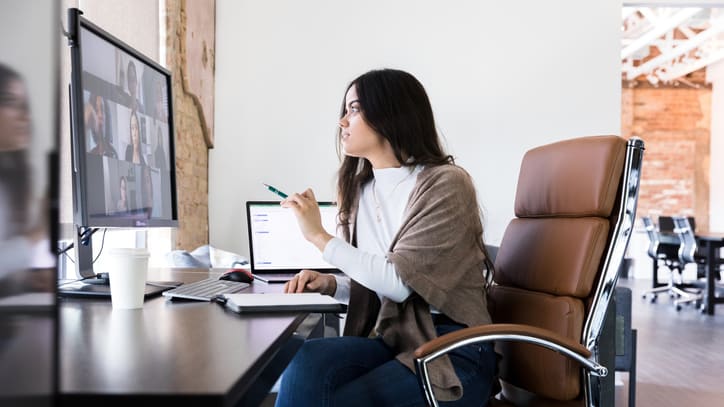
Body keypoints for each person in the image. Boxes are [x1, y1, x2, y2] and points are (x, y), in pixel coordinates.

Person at [275, 69, 498, 406]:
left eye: (354, 109)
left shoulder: (446, 184)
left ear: (389, 113)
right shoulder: (360, 191)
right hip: (397, 342)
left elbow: (399, 283)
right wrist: (333, 285)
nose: (342, 122)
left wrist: (319, 237)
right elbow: (383, 287)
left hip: (452, 349)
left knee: (338, 400)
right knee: (307, 360)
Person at [0, 63, 51, 291]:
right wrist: (38, 234)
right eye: (12, 103)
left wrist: (34, 279)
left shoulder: (14, 179)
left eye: (25, 105)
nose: (26, 116)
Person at [85, 93, 118, 158]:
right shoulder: (91, 153)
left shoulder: (113, 153)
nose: (100, 116)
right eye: (96, 111)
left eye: (102, 110)